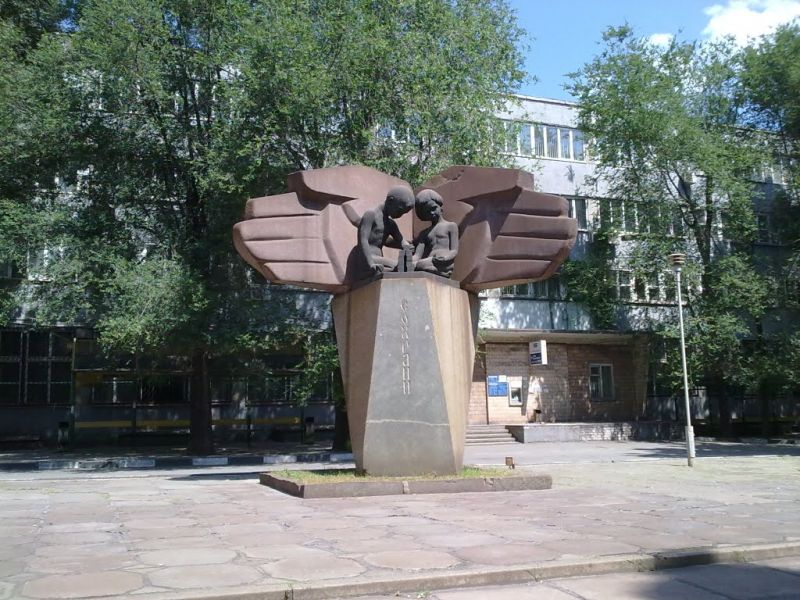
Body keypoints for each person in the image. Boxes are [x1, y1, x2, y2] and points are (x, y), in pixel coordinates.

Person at [358, 186, 415, 276]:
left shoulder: (391, 224)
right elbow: (363, 240)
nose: (400, 215)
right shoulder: (371, 214)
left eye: (403, 213)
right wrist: (371, 263)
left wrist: (408, 246)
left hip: (379, 260)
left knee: (403, 267)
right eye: (399, 210)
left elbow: (402, 241)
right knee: (398, 266)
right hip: (367, 258)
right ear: (390, 201)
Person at [412, 189, 458, 277]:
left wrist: (445, 258)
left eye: (433, 208)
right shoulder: (424, 233)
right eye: (427, 211)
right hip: (429, 261)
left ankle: (444, 272)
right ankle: (439, 272)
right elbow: (417, 255)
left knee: (420, 265)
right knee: (416, 265)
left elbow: (454, 250)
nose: (432, 213)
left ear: (440, 207)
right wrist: (409, 261)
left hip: (444, 263)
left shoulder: (451, 226)